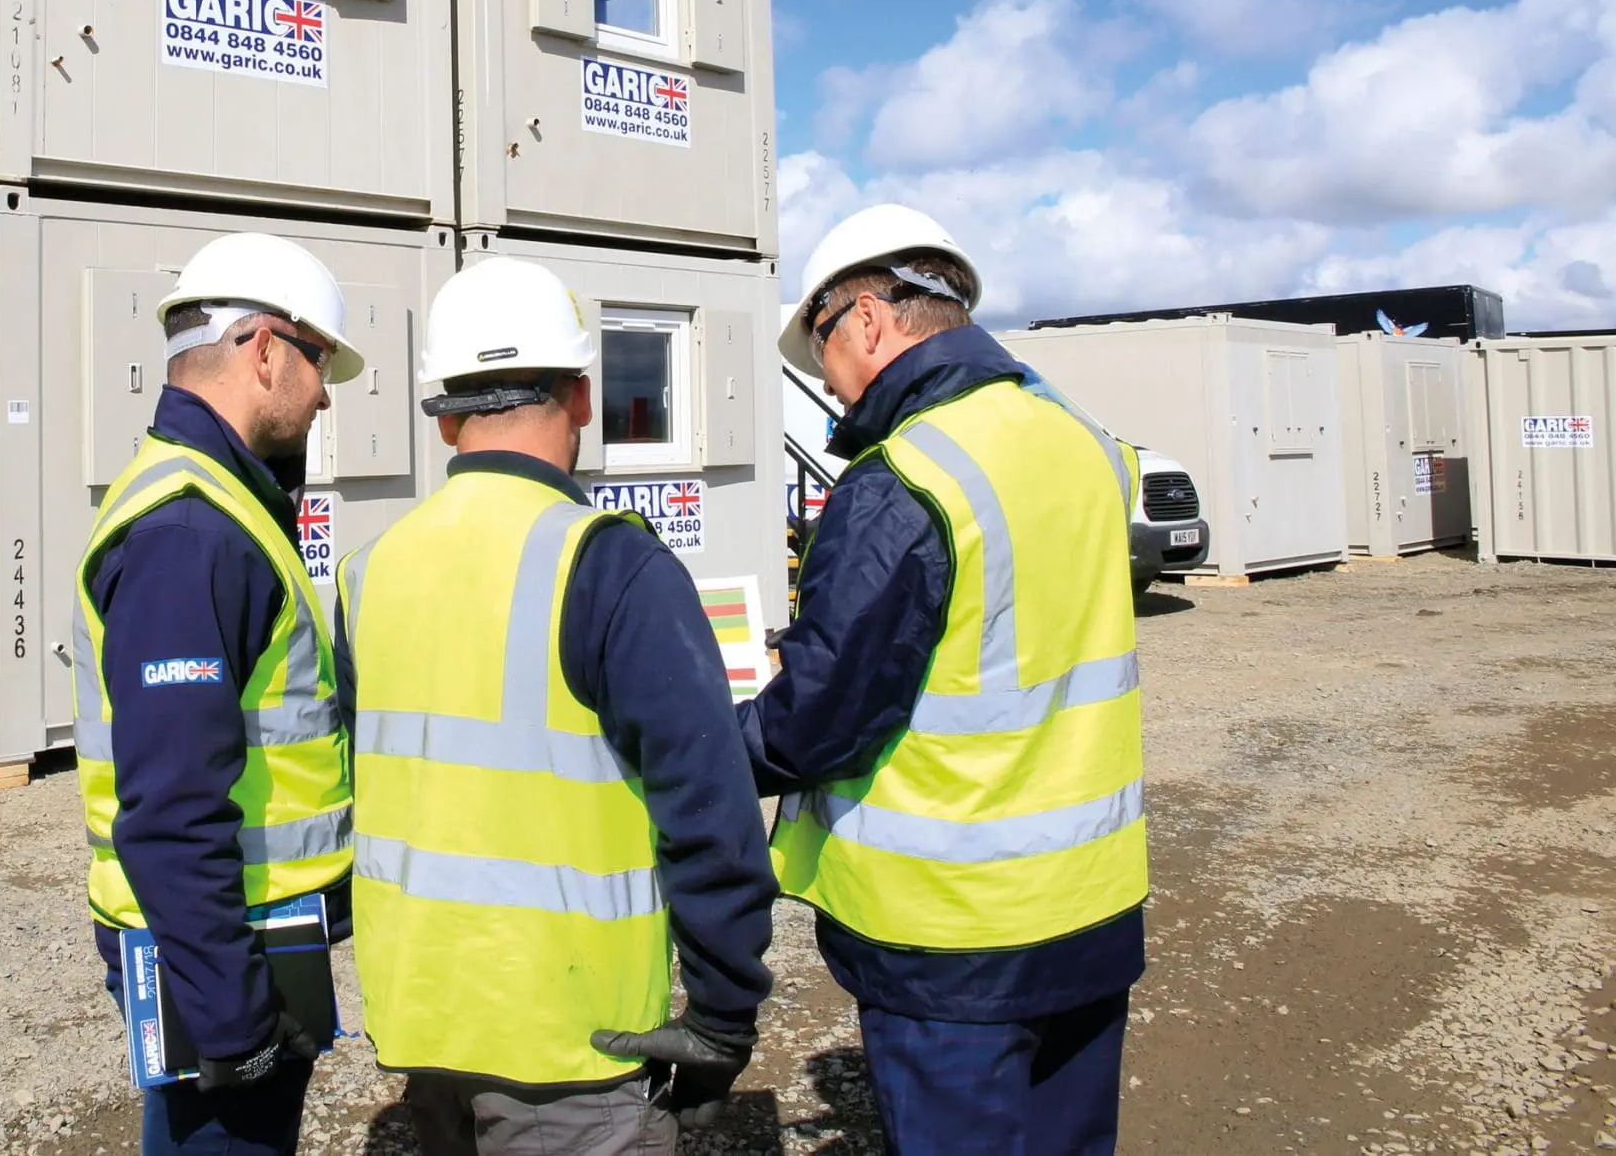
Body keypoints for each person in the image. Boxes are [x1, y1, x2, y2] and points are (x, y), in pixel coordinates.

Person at [340, 257, 779, 1156]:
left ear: (445, 413)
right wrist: (724, 1015)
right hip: (574, 1044)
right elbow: (709, 808)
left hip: (426, 1017)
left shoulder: (367, 570)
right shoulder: (613, 565)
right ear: (583, 395)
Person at [742, 205, 1147, 1156]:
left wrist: (698, 739)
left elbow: (817, 721)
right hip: (1090, 905)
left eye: (822, 349)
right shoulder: (1087, 443)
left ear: (870, 319)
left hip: (953, 942)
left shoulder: (902, 478)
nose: (830, 386)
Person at [73, 232, 364, 1156]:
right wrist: (232, 1020)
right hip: (221, 949)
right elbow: (171, 805)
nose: (324, 392)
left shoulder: (216, 501)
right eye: (319, 362)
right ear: (266, 347)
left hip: (235, 934)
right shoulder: (191, 531)